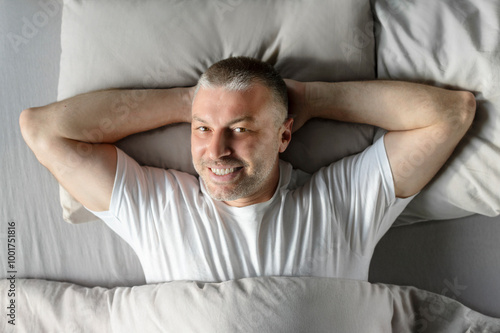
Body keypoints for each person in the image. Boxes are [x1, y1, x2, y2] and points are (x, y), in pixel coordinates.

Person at [20, 57, 476, 284]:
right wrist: (190, 102)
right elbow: (41, 129)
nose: (216, 150)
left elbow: (452, 112)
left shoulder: (343, 200)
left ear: (283, 136)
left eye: (239, 129)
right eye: (202, 129)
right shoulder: (155, 205)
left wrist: (314, 98)